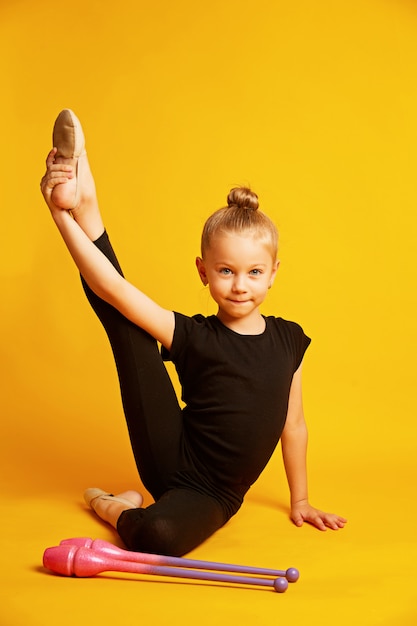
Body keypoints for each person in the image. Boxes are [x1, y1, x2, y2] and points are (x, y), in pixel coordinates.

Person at [40, 109, 347, 557]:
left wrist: (299, 499)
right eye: (226, 271)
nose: (240, 285)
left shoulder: (289, 340)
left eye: (253, 271)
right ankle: (83, 205)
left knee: (158, 537)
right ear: (203, 272)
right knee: (125, 318)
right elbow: (112, 289)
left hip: (215, 494)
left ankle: (111, 506)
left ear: (273, 273)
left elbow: (293, 424)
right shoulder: (195, 335)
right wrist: (58, 216)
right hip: (170, 458)